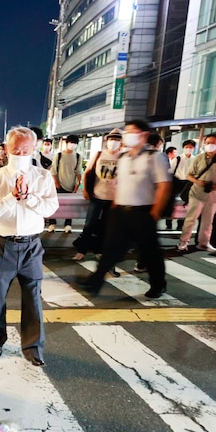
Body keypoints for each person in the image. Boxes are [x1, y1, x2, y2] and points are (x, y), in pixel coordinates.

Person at [0, 126, 58, 366]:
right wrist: (12, 197)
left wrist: (28, 197)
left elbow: (50, 209)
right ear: (6, 148)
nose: (20, 153)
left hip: (32, 244)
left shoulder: (43, 177)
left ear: (34, 148)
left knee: (33, 296)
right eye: (15, 148)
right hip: (2, 244)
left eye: (25, 149)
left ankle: (33, 346)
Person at [76, 119, 171, 299]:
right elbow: (120, 183)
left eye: (131, 131)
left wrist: (156, 212)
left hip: (143, 212)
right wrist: (114, 206)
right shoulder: (123, 157)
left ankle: (159, 284)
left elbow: (164, 186)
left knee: (150, 252)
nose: (127, 135)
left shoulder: (154, 157)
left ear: (143, 135)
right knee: (110, 249)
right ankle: (94, 283)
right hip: (120, 212)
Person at [177, 133, 216, 253]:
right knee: (190, 219)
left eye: (213, 143)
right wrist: (198, 182)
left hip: (213, 194)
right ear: (204, 144)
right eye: (208, 143)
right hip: (197, 193)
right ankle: (183, 242)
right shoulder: (198, 158)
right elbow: (189, 175)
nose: (210, 145)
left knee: (208, 221)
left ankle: (204, 243)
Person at [74, 128, 122, 263]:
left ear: (121, 143)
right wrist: (84, 190)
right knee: (89, 224)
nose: (114, 142)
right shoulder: (99, 154)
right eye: (112, 140)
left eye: (117, 140)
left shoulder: (123, 157)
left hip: (113, 198)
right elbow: (87, 172)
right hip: (97, 195)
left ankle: (99, 250)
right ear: (107, 141)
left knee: (105, 226)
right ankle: (81, 251)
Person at [48, 134, 81, 233]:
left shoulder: (78, 156)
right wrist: (57, 183)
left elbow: (78, 172)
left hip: (71, 186)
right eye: (71, 143)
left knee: (69, 206)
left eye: (75, 143)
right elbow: (53, 171)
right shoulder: (58, 155)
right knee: (54, 204)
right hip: (58, 185)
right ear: (66, 143)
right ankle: (52, 223)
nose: (73, 145)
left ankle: (68, 224)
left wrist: (77, 185)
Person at [163, 146, 180, 230]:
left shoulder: (174, 160)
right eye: (174, 152)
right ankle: (168, 222)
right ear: (169, 153)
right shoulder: (164, 160)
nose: (176, 154)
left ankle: (169, 222)